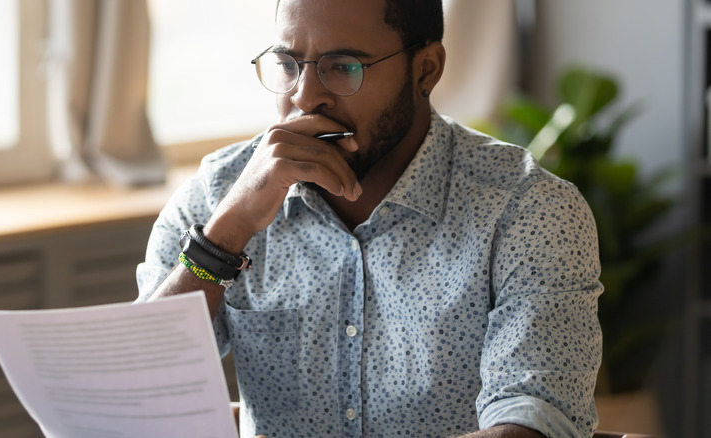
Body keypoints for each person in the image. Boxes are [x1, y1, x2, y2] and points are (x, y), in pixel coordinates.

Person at [136, 0, 603, 436]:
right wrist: (225, 237)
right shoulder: (217, 198)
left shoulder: (528, 210)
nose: (305, 98)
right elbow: (132, 398)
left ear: (427, 70)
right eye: (288, 64)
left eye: (343, 67)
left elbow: (531, 420)